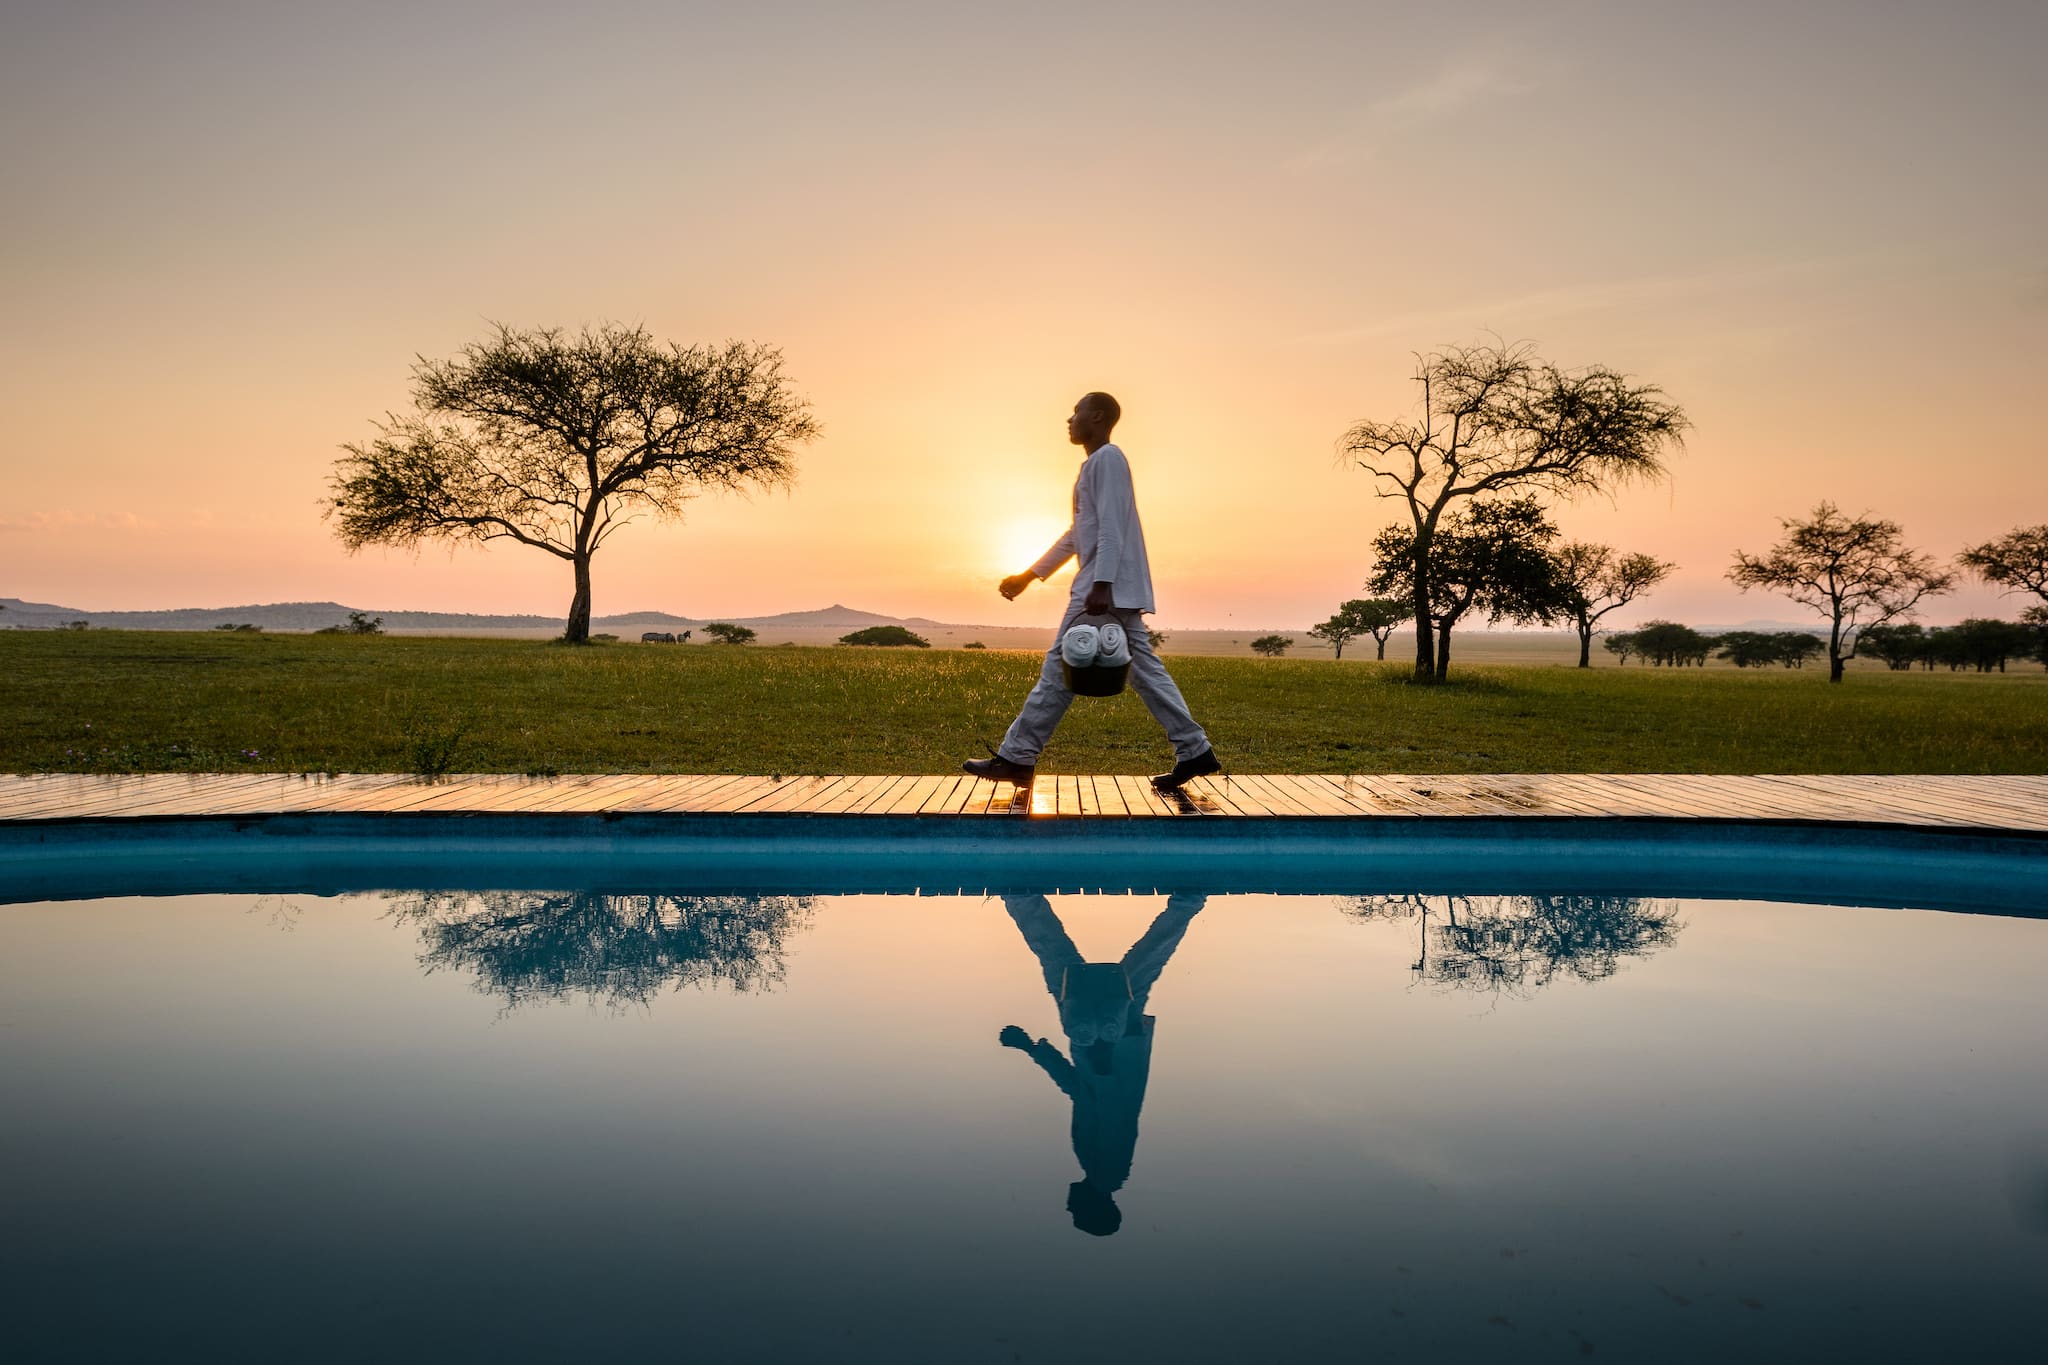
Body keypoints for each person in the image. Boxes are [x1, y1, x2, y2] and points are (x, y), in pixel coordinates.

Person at [963, 392, 1222, 791]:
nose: (1069, 419)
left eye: (1077, 412)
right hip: (1107, 584)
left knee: (1058, 668)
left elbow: (1112, 529)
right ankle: (1194, 750)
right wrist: (1030, 574)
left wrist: (1102, 585)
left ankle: (1018, 756)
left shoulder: (1109, 459)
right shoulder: (1093, 465)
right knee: (1143, 671)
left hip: (1106, 587)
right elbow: (1077, 534)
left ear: (1097, 417)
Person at [995, 893, 1209, 1236]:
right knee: (1068, 967)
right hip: (1105, 1045)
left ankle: (1186, 905)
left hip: (1107, 1047)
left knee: (1125, 969)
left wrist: (1032, 1049)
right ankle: (1023, 900)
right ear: (1093, 1209)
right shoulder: (1108, 1171)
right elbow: (1113, 1114)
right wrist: (1103, 1056)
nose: (1068, 1205)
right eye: (1075, 1213)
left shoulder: (1098, 1169)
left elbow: (1078, 1093)